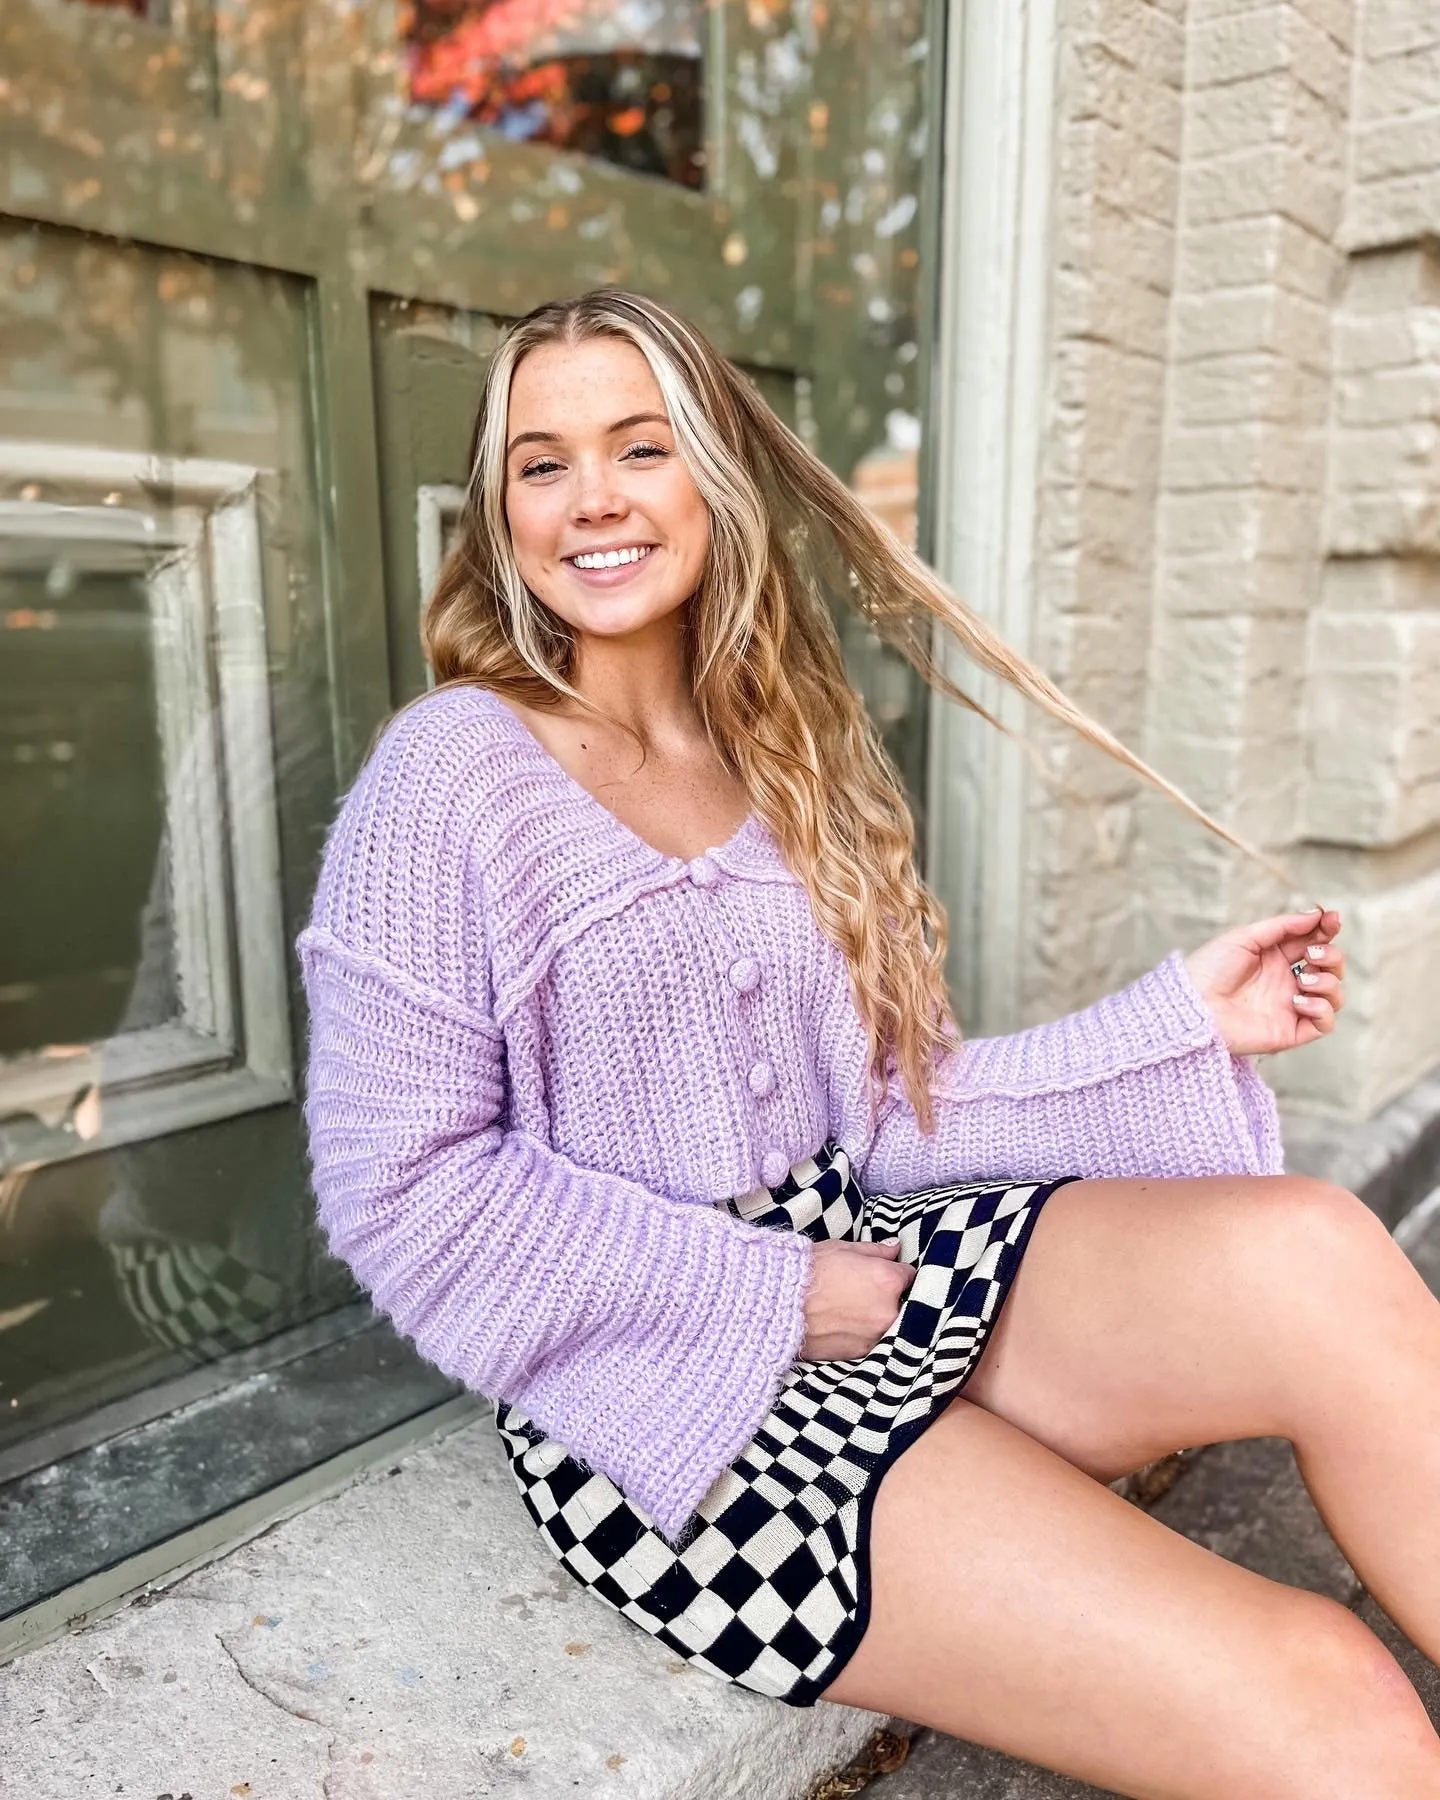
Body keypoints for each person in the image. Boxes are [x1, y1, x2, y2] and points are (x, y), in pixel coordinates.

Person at [297, 289, 1440, 1797]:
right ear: (498, 510)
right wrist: (779, 1291)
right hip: (664, 1387)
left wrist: (1180, 1021)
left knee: (1314, 1250)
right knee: (1335, 1706)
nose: (593, 503)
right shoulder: (447, 778)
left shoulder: (780, 761)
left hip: (874, 1253)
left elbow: (901, 1121)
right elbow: (407, 1193)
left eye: (640, 448)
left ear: (716, 476)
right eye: (541, 462)